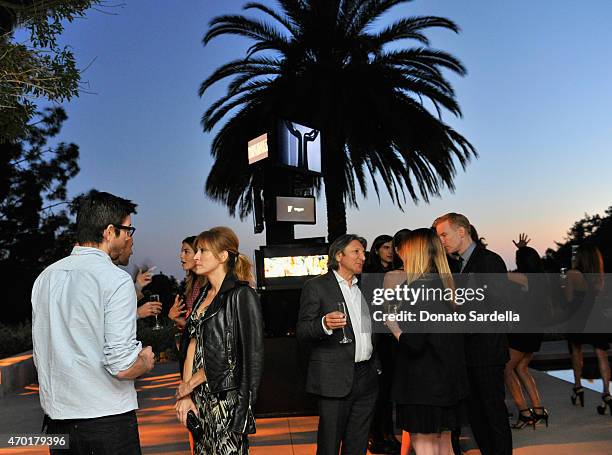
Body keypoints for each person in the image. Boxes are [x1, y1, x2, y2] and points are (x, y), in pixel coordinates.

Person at [32, 190, 155, 454]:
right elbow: (121, 366)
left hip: (57, 423)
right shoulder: (115, 279)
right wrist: (145, 359)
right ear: (110, 232)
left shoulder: (45, 278)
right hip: (106, 425)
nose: (130, 239)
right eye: (128, 231)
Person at [174, 226, 264, 455]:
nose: (196, 257)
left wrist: (245, 410)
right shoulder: (204, 294)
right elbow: (193, 346)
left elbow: (248, 358)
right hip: (201, 399)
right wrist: (186, 394)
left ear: (223, 256)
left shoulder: (242, 295)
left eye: (202, 251)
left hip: (226, 401)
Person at [433, 213, 512, 455]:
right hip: (466, 356)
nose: (442, 241)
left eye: (444, 235)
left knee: (494, 416)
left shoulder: (490, 261)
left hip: (487, 354)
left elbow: (499, 309)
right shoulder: (456, 265)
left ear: (462, 231)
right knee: (476, 417)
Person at [386, 228, 469, 455]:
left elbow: (414, 343)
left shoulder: (417, 288)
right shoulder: (445, 285)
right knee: (445, 445)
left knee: (424, 446)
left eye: (407, 249)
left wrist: (393, 325)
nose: (401, 253)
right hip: (446, 381)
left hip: (422, 385)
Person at [297, 234, 378, 455]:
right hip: (334, 378)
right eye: (356, 252)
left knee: (358, 444)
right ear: (339, 256)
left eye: (364, 252)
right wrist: (324, 324)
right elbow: (303, 330)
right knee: (329, 445)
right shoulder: (317, 286)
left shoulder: (366, 287)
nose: (363, 257)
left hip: (367, 376)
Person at [505, 234, 548, 429]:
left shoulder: (524, 278)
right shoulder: (542, 278)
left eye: (517, 260)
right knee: (522, 368)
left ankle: (524, 412)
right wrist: (521, 249)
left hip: (523, 331)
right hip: (535, 330)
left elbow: (499, 273)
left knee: (505, 369)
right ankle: (538, 410)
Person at [565, 244, 611, 414]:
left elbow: (569, 299)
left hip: (578, 318)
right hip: (596, 317)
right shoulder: (599, 276)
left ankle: (578, 387)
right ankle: (606, 392)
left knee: (576, 351)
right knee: (602, 354)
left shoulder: (572, 274)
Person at [364, 234, 399, 454]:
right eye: (385, 247)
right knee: (379, 392)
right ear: (376, 250)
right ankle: (377, 437)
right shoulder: (371, 275)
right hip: (378, 339)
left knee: (388, 392)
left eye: (392, 247)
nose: (389, 251)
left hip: (393, 338)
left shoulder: (394, 272)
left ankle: (387, 434)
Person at [113, 235, 163, 320]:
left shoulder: (113, 272)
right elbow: (111, 318)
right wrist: (137, 313)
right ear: (121, 249)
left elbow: (122, 304)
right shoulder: (114, 276)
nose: (131, 252)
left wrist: (138, 284)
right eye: (130, 247)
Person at [169, 236, 207, 330]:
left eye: (186, 251)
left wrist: (175, 318)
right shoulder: (193, 282)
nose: (181, 256)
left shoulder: (208, 284)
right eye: (182, 252)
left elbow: (203, 327)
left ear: (198, 254)